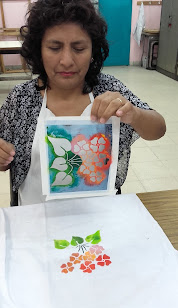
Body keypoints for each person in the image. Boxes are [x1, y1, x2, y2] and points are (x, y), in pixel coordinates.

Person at [0, 0, 166, 206]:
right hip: (35, 220)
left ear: (93, 51)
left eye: (79, 48)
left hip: (100, 220)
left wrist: (135, 114)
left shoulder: (108, 89)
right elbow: (4, 157)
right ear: (38, 50)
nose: (67, 60)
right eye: (54, 48)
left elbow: (158, 128)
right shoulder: (20, 99)